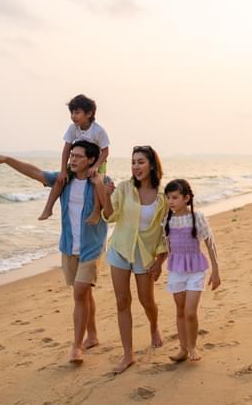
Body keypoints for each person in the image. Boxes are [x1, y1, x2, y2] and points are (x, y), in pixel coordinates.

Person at [0, 140, 108, 365]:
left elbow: (110, 210)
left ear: (90, 159)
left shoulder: (102, 181)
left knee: (79, 293)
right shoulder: (64, 180)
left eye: (79, 156)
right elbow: (35, 172)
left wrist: (101, 186)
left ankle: (76, 347)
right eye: (72, 156)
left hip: (92, 247)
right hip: (69, 246)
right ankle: (93, 336)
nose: (73, 159)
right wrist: (8, 160)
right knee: (84, 294)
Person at [93, 145, 168, 374]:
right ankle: (128, 354)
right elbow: (110, 216)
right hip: (120, 250)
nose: (136, 166)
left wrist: (160, 260)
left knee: (147, 301)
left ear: (152, 165)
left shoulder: (163, 196)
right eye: (133, 162)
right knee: (122, 302)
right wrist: (105, 194)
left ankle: (154, 326)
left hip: (145, 255)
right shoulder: (124, 188)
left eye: (141, 162)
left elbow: (166, 233)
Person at [162, 179, 221, 362]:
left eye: (175, 197)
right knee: (180, 311)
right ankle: (183, 349)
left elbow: (210, 244)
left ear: (186, 198)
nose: (171, 202)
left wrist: (215, 271)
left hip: (196, 269)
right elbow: (167, 247)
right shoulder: (167, 220)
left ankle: (193, 346)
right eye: (168, 198)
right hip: (176, 270)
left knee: (190, 311)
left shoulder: (198, 218)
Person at [39, 94, 110, 224]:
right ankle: (48, 208)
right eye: (72, 112)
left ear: (89, 113)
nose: (73, 116)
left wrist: (95, 167)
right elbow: (66, 149)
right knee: (61, 180)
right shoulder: (73, 128)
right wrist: (63, 170)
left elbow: (105, 152)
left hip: (98, 160)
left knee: (97, 181)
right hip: (80, 158)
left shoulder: (98, 130)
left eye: (77, 112)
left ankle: (95, 212)